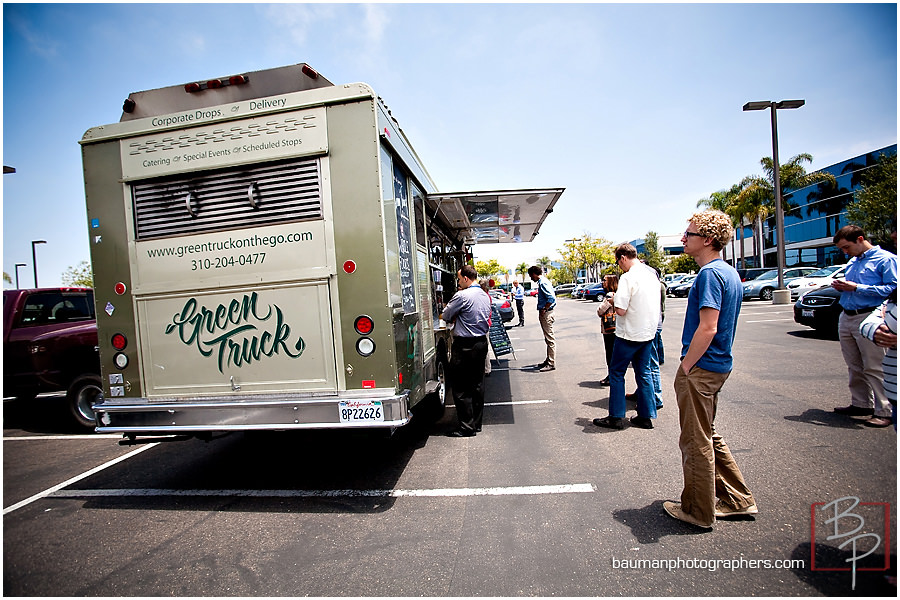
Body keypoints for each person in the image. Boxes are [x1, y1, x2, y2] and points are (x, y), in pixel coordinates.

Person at [662, 210, 756, 530]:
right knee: (708, 434)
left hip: (701, 368)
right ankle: (737, 499)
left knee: (695, 440)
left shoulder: (709, 275)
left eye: (689, 234)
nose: (683, 238)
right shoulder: (728, 273)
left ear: (709, 240)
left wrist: (687, 365)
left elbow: (708, 327)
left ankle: (698, 510)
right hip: (717, 366)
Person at [830, 225, 897, 428]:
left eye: (847, 247)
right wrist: (842, 285)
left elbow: (893, 288)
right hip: (848, 315)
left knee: (874, 365)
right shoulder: (853, 261)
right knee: (854, 365)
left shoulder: (886, 260)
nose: (845, 252)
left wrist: (857, 287)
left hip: (869, 316)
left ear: (860, 239)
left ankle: (884, 410)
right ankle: (861, 403)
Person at [592, 244, 660, 430]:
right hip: (647, 333)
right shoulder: (651, 274)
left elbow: (620, 310)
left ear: (623, 257)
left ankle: (616, 417)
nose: (619, 266)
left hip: (628, 334)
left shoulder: (628, 277)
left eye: (617, 262)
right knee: (644, 374)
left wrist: (613, 300)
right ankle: (645, 416)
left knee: (616, 373)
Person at [441, 265, 492, 437]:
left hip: (465, 345)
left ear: (465, 278)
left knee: (461, 387)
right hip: (480, 342)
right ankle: (476, 424)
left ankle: (466, 427)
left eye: (459, 278)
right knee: (477, 384)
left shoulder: (462, 295)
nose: (458, 282)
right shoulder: (484, 295)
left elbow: (446, 315)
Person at [860, 290, 897, 429]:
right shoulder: (894, 298)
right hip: (894, 391)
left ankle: (884, 411)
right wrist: (875, 329)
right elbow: (870, 320)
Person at [528, 265, 556, 371]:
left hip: (547, 313)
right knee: (548, 338)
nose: (531, 278)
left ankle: (551, 362)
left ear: (534, 274)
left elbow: (551, 298)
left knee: (550, 338)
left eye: (531, 276)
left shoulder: (543, 283)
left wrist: (545, 308)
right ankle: (549, 359)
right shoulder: (543, 282)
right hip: (547, 312)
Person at [596, 274, 618, 386]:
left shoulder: (609, 296)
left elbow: (600, 311)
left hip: (609, 329)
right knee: (613, 354)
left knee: (610, 354)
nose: (602, 282)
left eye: (604, 280)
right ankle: (612, 376)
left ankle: (611, 377)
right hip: (616, 328)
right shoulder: (617, 294)